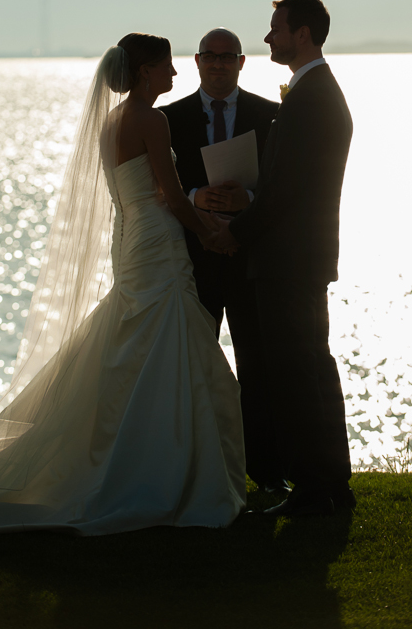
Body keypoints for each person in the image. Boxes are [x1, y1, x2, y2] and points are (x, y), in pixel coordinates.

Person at [0, 34, 246, 535]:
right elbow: (170, 196)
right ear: (145, 70)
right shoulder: (152, 119)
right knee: (165, 339)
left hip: (130, 236)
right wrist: (212, 235)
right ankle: (165, 473)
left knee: (136, 342)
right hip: (156, 238)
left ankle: (140, 460)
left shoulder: (111, 121)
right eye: (167, 67)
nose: (174, 76)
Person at [213, 0, 355, 517]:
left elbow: (288, 191)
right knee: (310, 368)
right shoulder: (313, 91)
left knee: (299, 373)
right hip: (300, 257)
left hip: (289, 261)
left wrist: (238, 232)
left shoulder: (311, 97)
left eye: (276, 29)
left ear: (303, 34)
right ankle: (329, 483)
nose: (269, 38)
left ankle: (317, 488)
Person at [160, 27, 285, 491]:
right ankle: (194, 469)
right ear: (196, 61)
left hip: (251, 259)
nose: (217, 64)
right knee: (193, 366)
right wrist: (198, 197)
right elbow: (160, 184)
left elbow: (282, 187)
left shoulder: (271, 115)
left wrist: (246, 202)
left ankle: (268, 473)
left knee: (259, 369)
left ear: (240, 62)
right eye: (209, 56)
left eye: (226, 57)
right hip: (195, 259)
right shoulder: (168, 118)